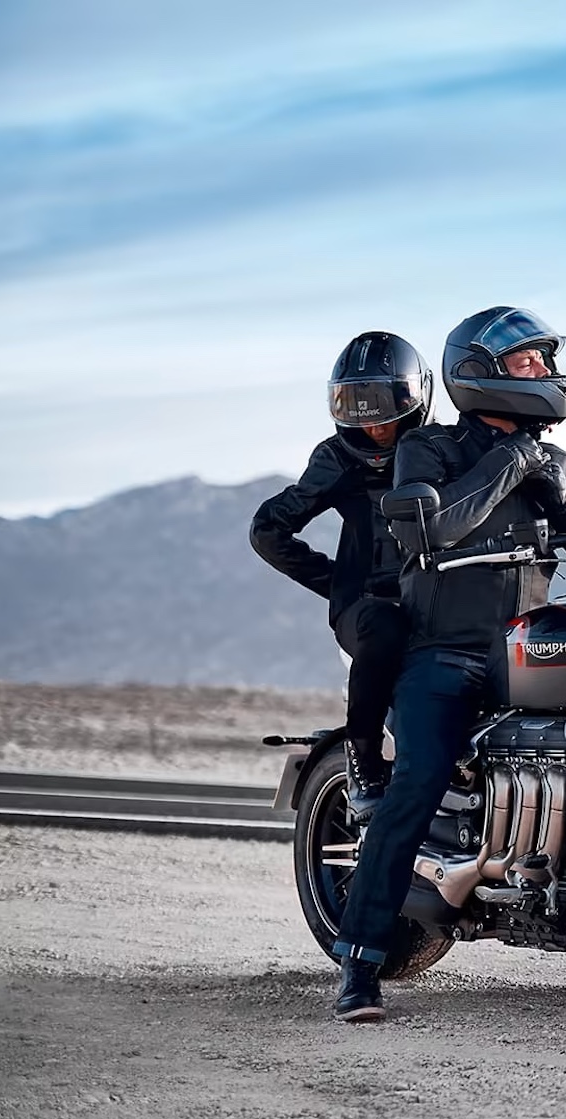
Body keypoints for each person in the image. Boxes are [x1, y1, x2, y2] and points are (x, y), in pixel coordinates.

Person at [328, 307, 566, 1021]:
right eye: (528, 363)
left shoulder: (557, 463)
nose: (545, 373)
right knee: (419, 781)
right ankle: (361, 962)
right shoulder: (427, 451)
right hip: (445, 655)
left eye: (544, 362)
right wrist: (510, 464)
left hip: (528, 648)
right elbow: (437, 528)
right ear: (483, 373)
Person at [251, 331, 431, 820]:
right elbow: (269, 530)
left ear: (414, 395)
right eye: (357, 405)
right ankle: (364, 762)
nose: (373, 424)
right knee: (384, 628)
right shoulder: (336, 458)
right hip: (370, 611)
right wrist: (341, 584)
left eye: (382, 405)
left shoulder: (441, 449)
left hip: (442, 601)